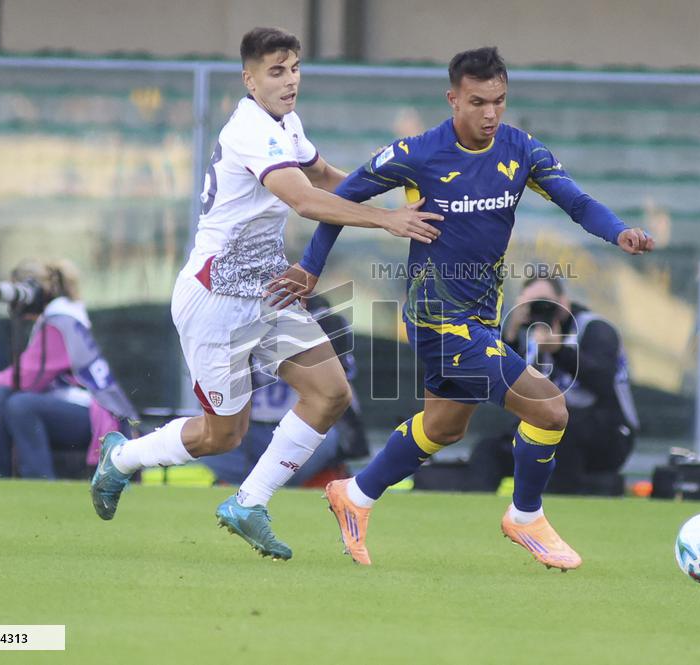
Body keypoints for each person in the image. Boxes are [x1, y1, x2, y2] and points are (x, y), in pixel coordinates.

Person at [268, 47, 654, 569]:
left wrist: (619, 231)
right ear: (453, 99)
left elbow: (577, 202)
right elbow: (342, 202)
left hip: (481, 316)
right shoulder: (419, 154)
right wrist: (311, 267)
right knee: (549, 407)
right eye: (477, 102)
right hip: (437, 318)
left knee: (445, 426)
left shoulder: (520, 149)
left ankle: (354, 495)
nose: (490, 113)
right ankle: (525, 516)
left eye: (499, 101)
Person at [89, 27, 443, 561]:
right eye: (276, 71)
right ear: (249, 80)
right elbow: (304, 199)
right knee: (222, 436)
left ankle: (249, 502)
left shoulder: (286, 124)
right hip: (215, 299)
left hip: (266, 292)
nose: (290, 80)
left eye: (295, 68)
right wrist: (386, 220)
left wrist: (400, 188)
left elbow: (325, 177)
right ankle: (122, 458)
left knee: (330, 393)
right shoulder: (249, 129)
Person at [0, 259, 136, 479]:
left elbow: (30, 377)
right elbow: (29, 372)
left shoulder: (60, 322)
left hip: (99, 416)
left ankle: (38, 479)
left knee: (20, 404)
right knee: (0, 396)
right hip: (77, 406)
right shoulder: (59, 318)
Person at [467, 275, 640, 495]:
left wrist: (559, 351)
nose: (541, 310)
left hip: (608, 434)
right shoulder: (530, 337)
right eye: (531, 305)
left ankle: (554, 505)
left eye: (546, 302)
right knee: (488, 450)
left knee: (562, 433)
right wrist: (510, 336)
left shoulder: (594, 329)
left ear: (564, 301)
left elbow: (603, 381)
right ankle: (479, 507)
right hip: (548, 430)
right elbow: (501, 385)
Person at [199, 295, 369, 485]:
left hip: (305, 424)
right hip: (248, 427)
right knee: (210, 433)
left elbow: (340, 380)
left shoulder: (327, 321)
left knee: (326, 437)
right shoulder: (238, 317)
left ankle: (265, 486)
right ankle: (248, 486)